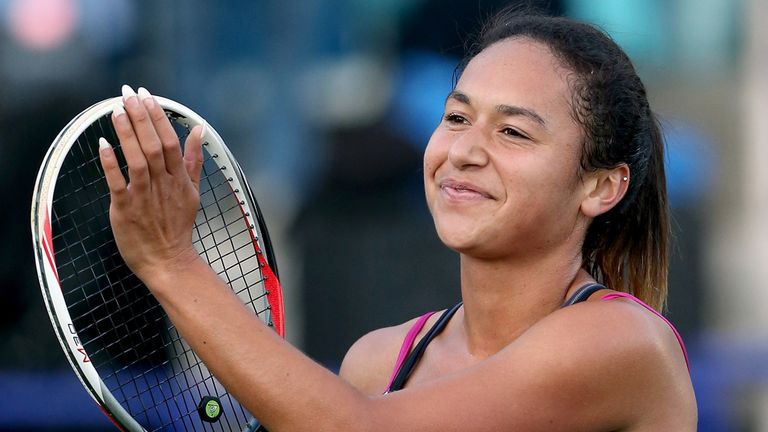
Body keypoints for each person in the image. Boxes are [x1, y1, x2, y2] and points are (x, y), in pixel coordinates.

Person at [97, 7, 697, 431]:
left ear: (601, 186)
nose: (463, 151)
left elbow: (354, 428)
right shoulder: (377, 362)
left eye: (513, 131)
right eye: (457, 118)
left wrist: (171, 264)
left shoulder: (621, 343)